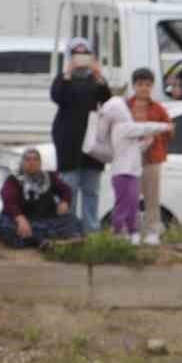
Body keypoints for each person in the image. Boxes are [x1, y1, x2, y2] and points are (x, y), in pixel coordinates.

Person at [49, 36, 111, 234]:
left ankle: (91, 229)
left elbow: (108, 101)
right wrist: (68, 72)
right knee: (69, 188)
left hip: (93, 143)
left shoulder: (95, 79)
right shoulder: (63, 78)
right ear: (69, 55)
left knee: (91, 190)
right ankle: (69, 228)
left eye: (85, 53)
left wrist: (99, 75)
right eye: (76, 53)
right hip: (69, 142)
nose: (81, 57)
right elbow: (57, 97)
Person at [93, 96, 171, 244]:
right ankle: (118, 232)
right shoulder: (122, 127)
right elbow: (144, 127)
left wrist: (146, 143)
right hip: (122, 173)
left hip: (132, 172)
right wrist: (166, 126)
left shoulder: (123, 128)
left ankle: (133, 232)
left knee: (133, 204)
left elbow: (133, 149)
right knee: (124, 204)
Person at [0, 148, 82, 248]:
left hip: (47, 220)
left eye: (36, 159)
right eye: (28, 159)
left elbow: (66, 190)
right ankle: (44, 240)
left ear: (40, 163)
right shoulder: (13, 179)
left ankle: (40, 240)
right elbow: (9, 201)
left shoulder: (48, 177)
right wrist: (20, 218)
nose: (32, 163)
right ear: (22, 162)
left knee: (72, 220)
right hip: (23, 220)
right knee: (1, 223)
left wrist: (65, 202)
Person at [130, 67, 173, 246]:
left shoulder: (158, 108)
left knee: (152, 197)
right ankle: (132, 231)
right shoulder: (125, 106)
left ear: (152, 86)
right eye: (140, 84)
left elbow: (170, 132)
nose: (144, 88)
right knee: (130, 196)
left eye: (148, 85)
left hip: (152, 159)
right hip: (130, 159)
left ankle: (152, 231)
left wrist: (156, 134)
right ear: (134, 86)